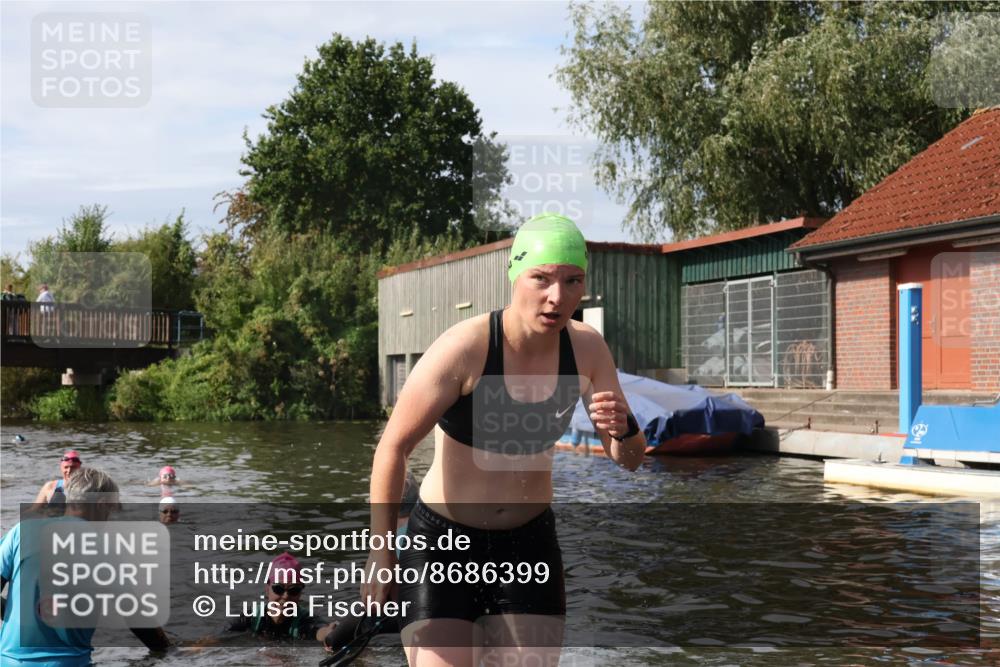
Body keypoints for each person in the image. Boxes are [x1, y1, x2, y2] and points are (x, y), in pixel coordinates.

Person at [363, 213, 646, 667]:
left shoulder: (588, 349)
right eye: (541, 278)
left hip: (528, 549)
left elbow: (630, 459)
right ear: (515, 275)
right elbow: (391, 448)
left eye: (573, 281)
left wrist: (625, 429)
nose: (558, 297)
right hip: (444, 546)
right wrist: (381, 554)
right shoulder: (465, 348)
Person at [0, 467, 170, 665]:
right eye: (111, 508)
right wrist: (169, 652)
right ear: (101, 504)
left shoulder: (21, 531)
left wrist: (13, 612)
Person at [226, 552, 328, 640]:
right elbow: (220, 636)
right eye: (278, 589)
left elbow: (320, 631)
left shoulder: (305, 620)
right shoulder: (252, 617)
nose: (286, 596)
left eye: (294, 590)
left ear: (300, 592)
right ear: (267, 589)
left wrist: (330, 635)